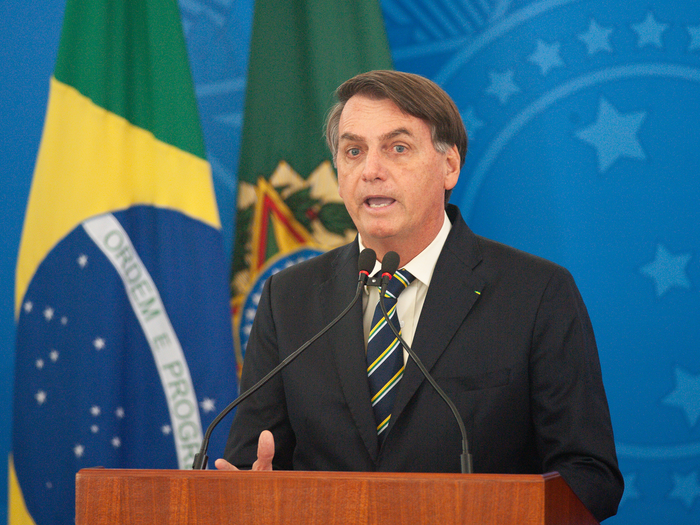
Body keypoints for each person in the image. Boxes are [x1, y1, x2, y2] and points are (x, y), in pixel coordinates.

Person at [216, 70, 624, 522]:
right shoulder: (288, 298)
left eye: (397, 148)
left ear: (449, 166)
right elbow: (251, 463)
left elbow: (590, 477)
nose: (371, 170)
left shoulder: (535, 293)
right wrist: (253, 491)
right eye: (354, 151)